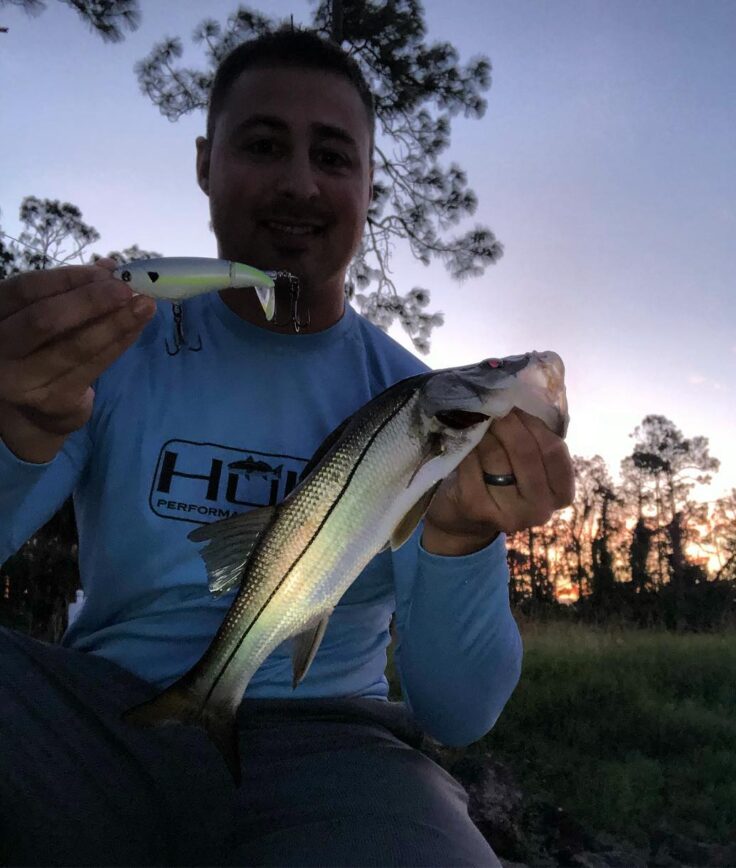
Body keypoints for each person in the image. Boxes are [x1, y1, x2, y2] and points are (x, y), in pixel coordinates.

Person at [0, 28, 574, 866]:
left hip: (339, 748)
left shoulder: (414, 394)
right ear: (206, 163)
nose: (299, 183)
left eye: (334, 157)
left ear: (371, 183)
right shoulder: (109, 346)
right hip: (98, 720)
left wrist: (461, 538)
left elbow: (460, 713)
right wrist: (16, 433)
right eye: (264, 145)